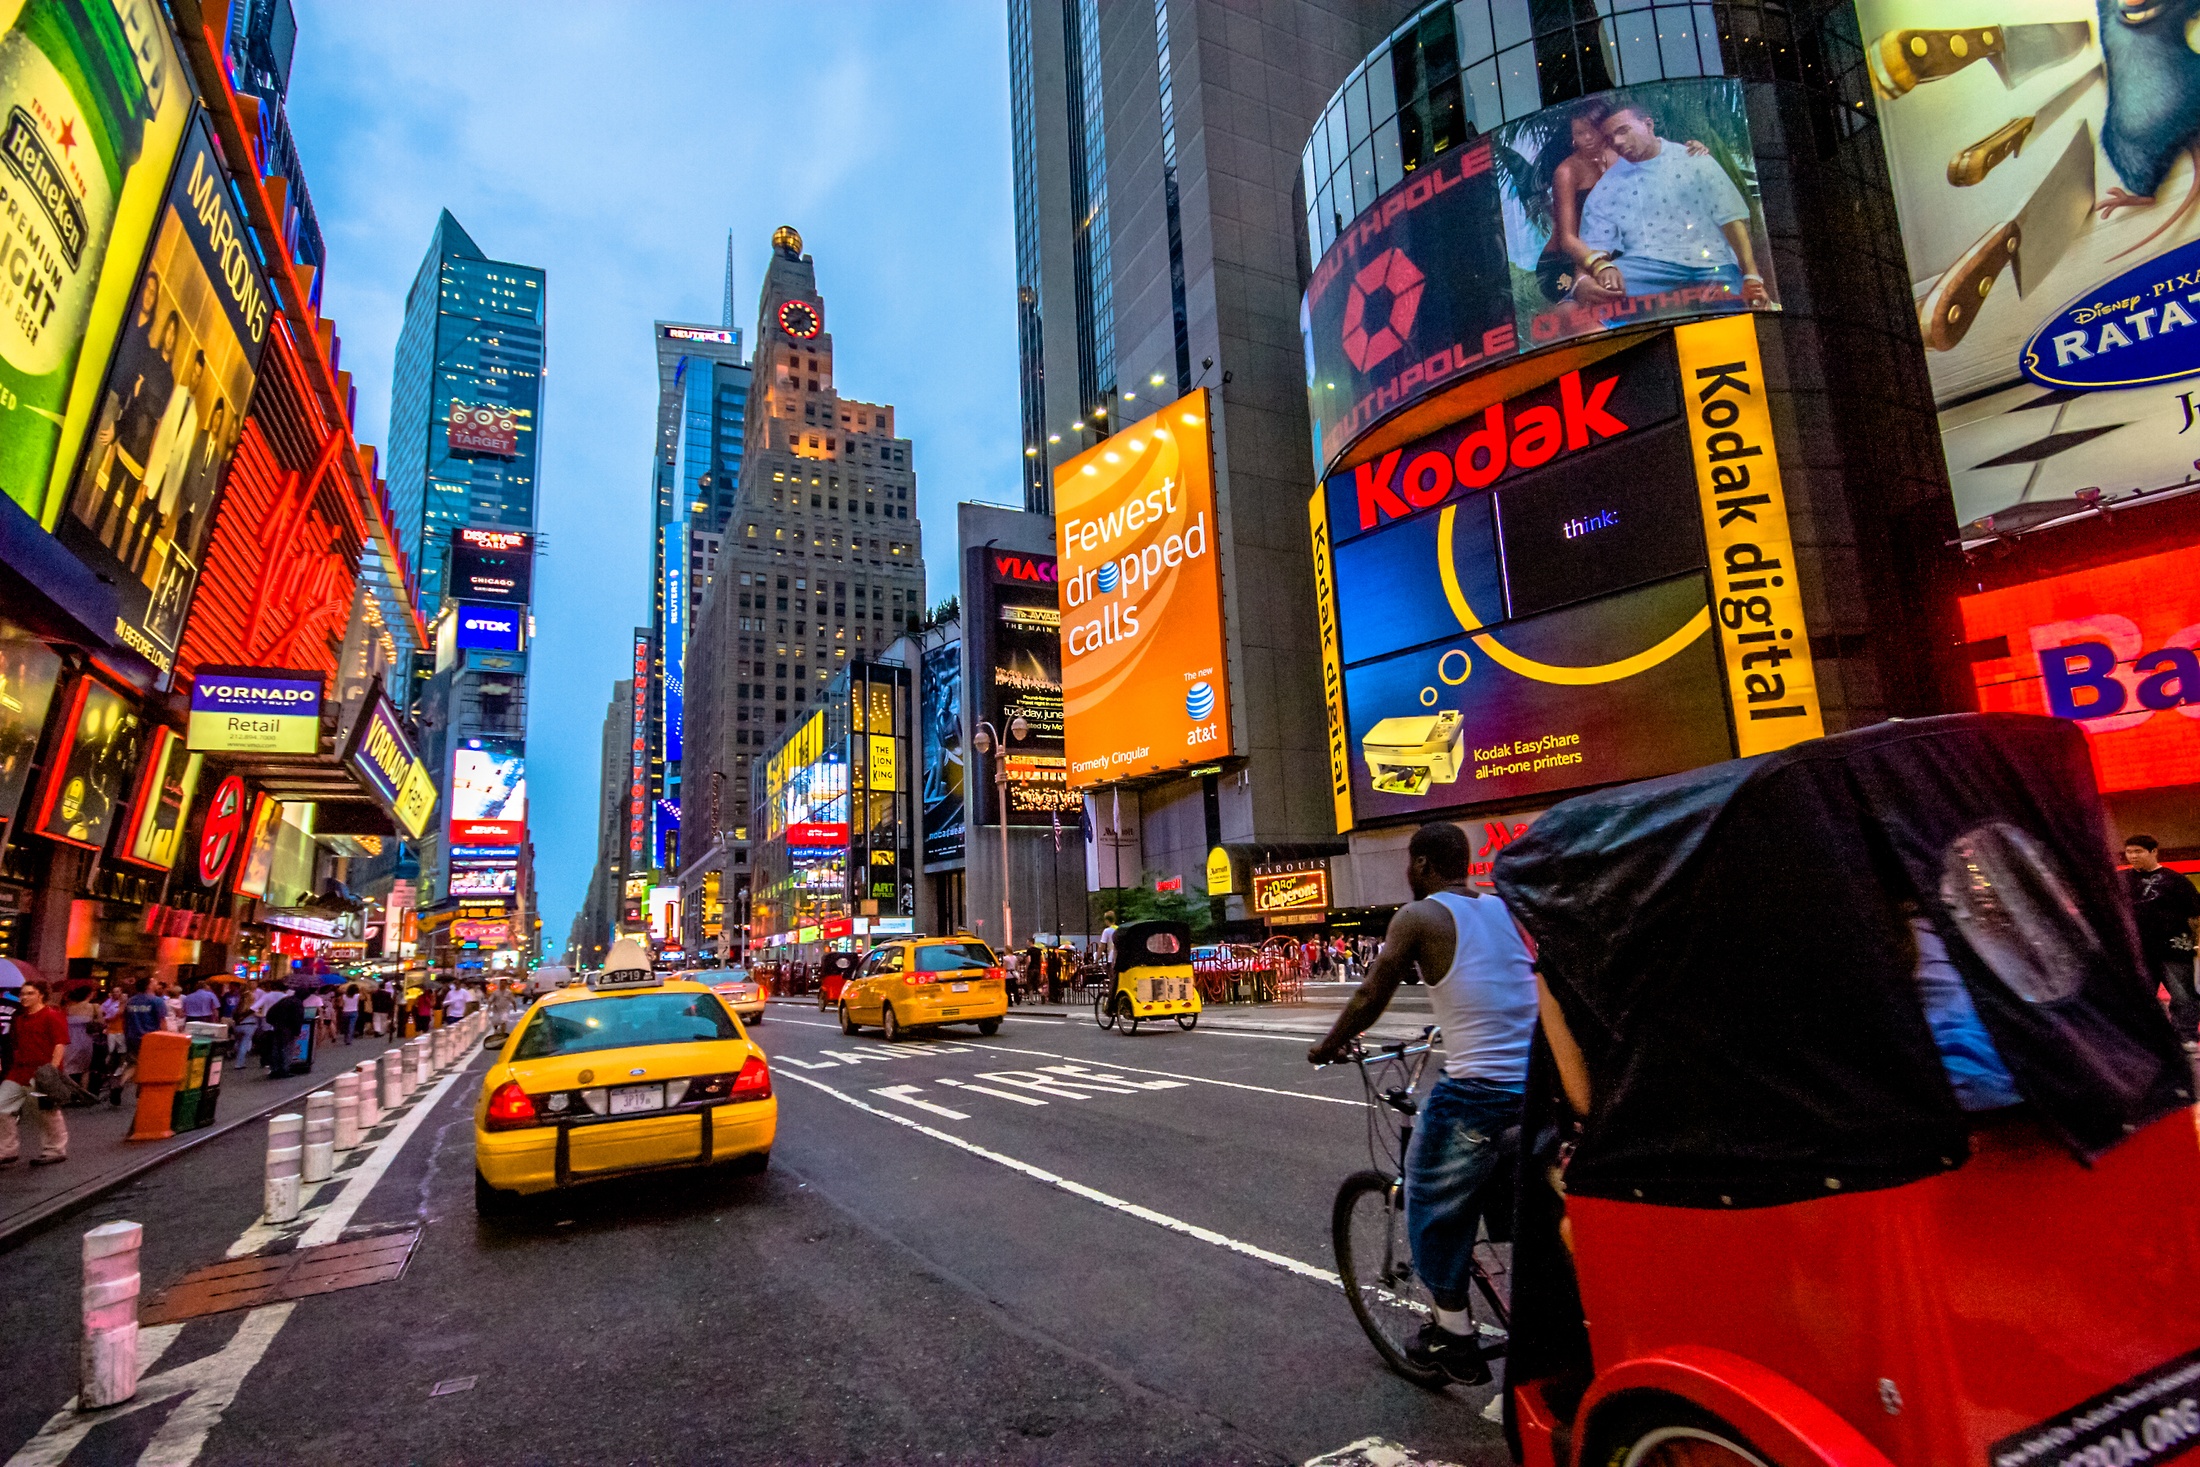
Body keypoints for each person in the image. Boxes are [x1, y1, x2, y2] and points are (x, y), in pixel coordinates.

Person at [1307, 821, 1537, 1385]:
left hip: (1478, 1092)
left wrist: (1328, 1045)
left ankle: (1454, 1337)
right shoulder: (1504, 909)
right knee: (1509, 1192)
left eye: (1411, 863)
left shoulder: (1419, 916)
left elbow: (1371, 992)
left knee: (1428, 1195)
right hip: (1535, 1087)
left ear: (1427, 865)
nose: (1407, 873)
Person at [1573, 100, 1770, 309]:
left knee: (1744, 314)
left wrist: (1752, 276)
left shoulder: (1695, 160)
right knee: (1582, 307)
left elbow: (1730, 219)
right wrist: (1587, 279)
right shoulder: (1607, 187)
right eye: (1610, 138)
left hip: (1713, 266)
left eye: (1623, 131)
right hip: (1645, 270)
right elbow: (1591, 246)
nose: (1618, 141)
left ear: (1648, 125)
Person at [2123, 835, 2200, 1050]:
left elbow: (2194, 916)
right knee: (2140, 996)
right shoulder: (2121, 879)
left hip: (2173, 948)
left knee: (2183, 995)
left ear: (2154, 851)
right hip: (2137, 949)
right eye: (2129, 852)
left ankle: (2186, 1036)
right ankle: (2147, 1037)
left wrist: (2193, 944)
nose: (2133, 856)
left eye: (2138, 851)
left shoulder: (2176, 881)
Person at [0, 979, 70, 1164]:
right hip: (19, 1070)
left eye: (30, 993)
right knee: (1, 1106)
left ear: (41, 995)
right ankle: (7, 1150)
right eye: (23, 993)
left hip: (41, 1072)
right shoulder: (19, 1019)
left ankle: (55, 1150)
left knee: (45, 1111)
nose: (24, 997)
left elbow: (59, 1044)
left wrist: (52, 1071)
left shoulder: (52, 1016)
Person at [266, 986, 305, 1079]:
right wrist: (297, 1031)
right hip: (289, 1029)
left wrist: (274, 1023)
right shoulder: (297, 1003)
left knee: (276, 1049)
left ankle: (274, 1069)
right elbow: (297, 1018)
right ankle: (284, 1069)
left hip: (278, 1027)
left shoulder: (285, 1000)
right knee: (287, 1049)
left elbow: (270, 1013)